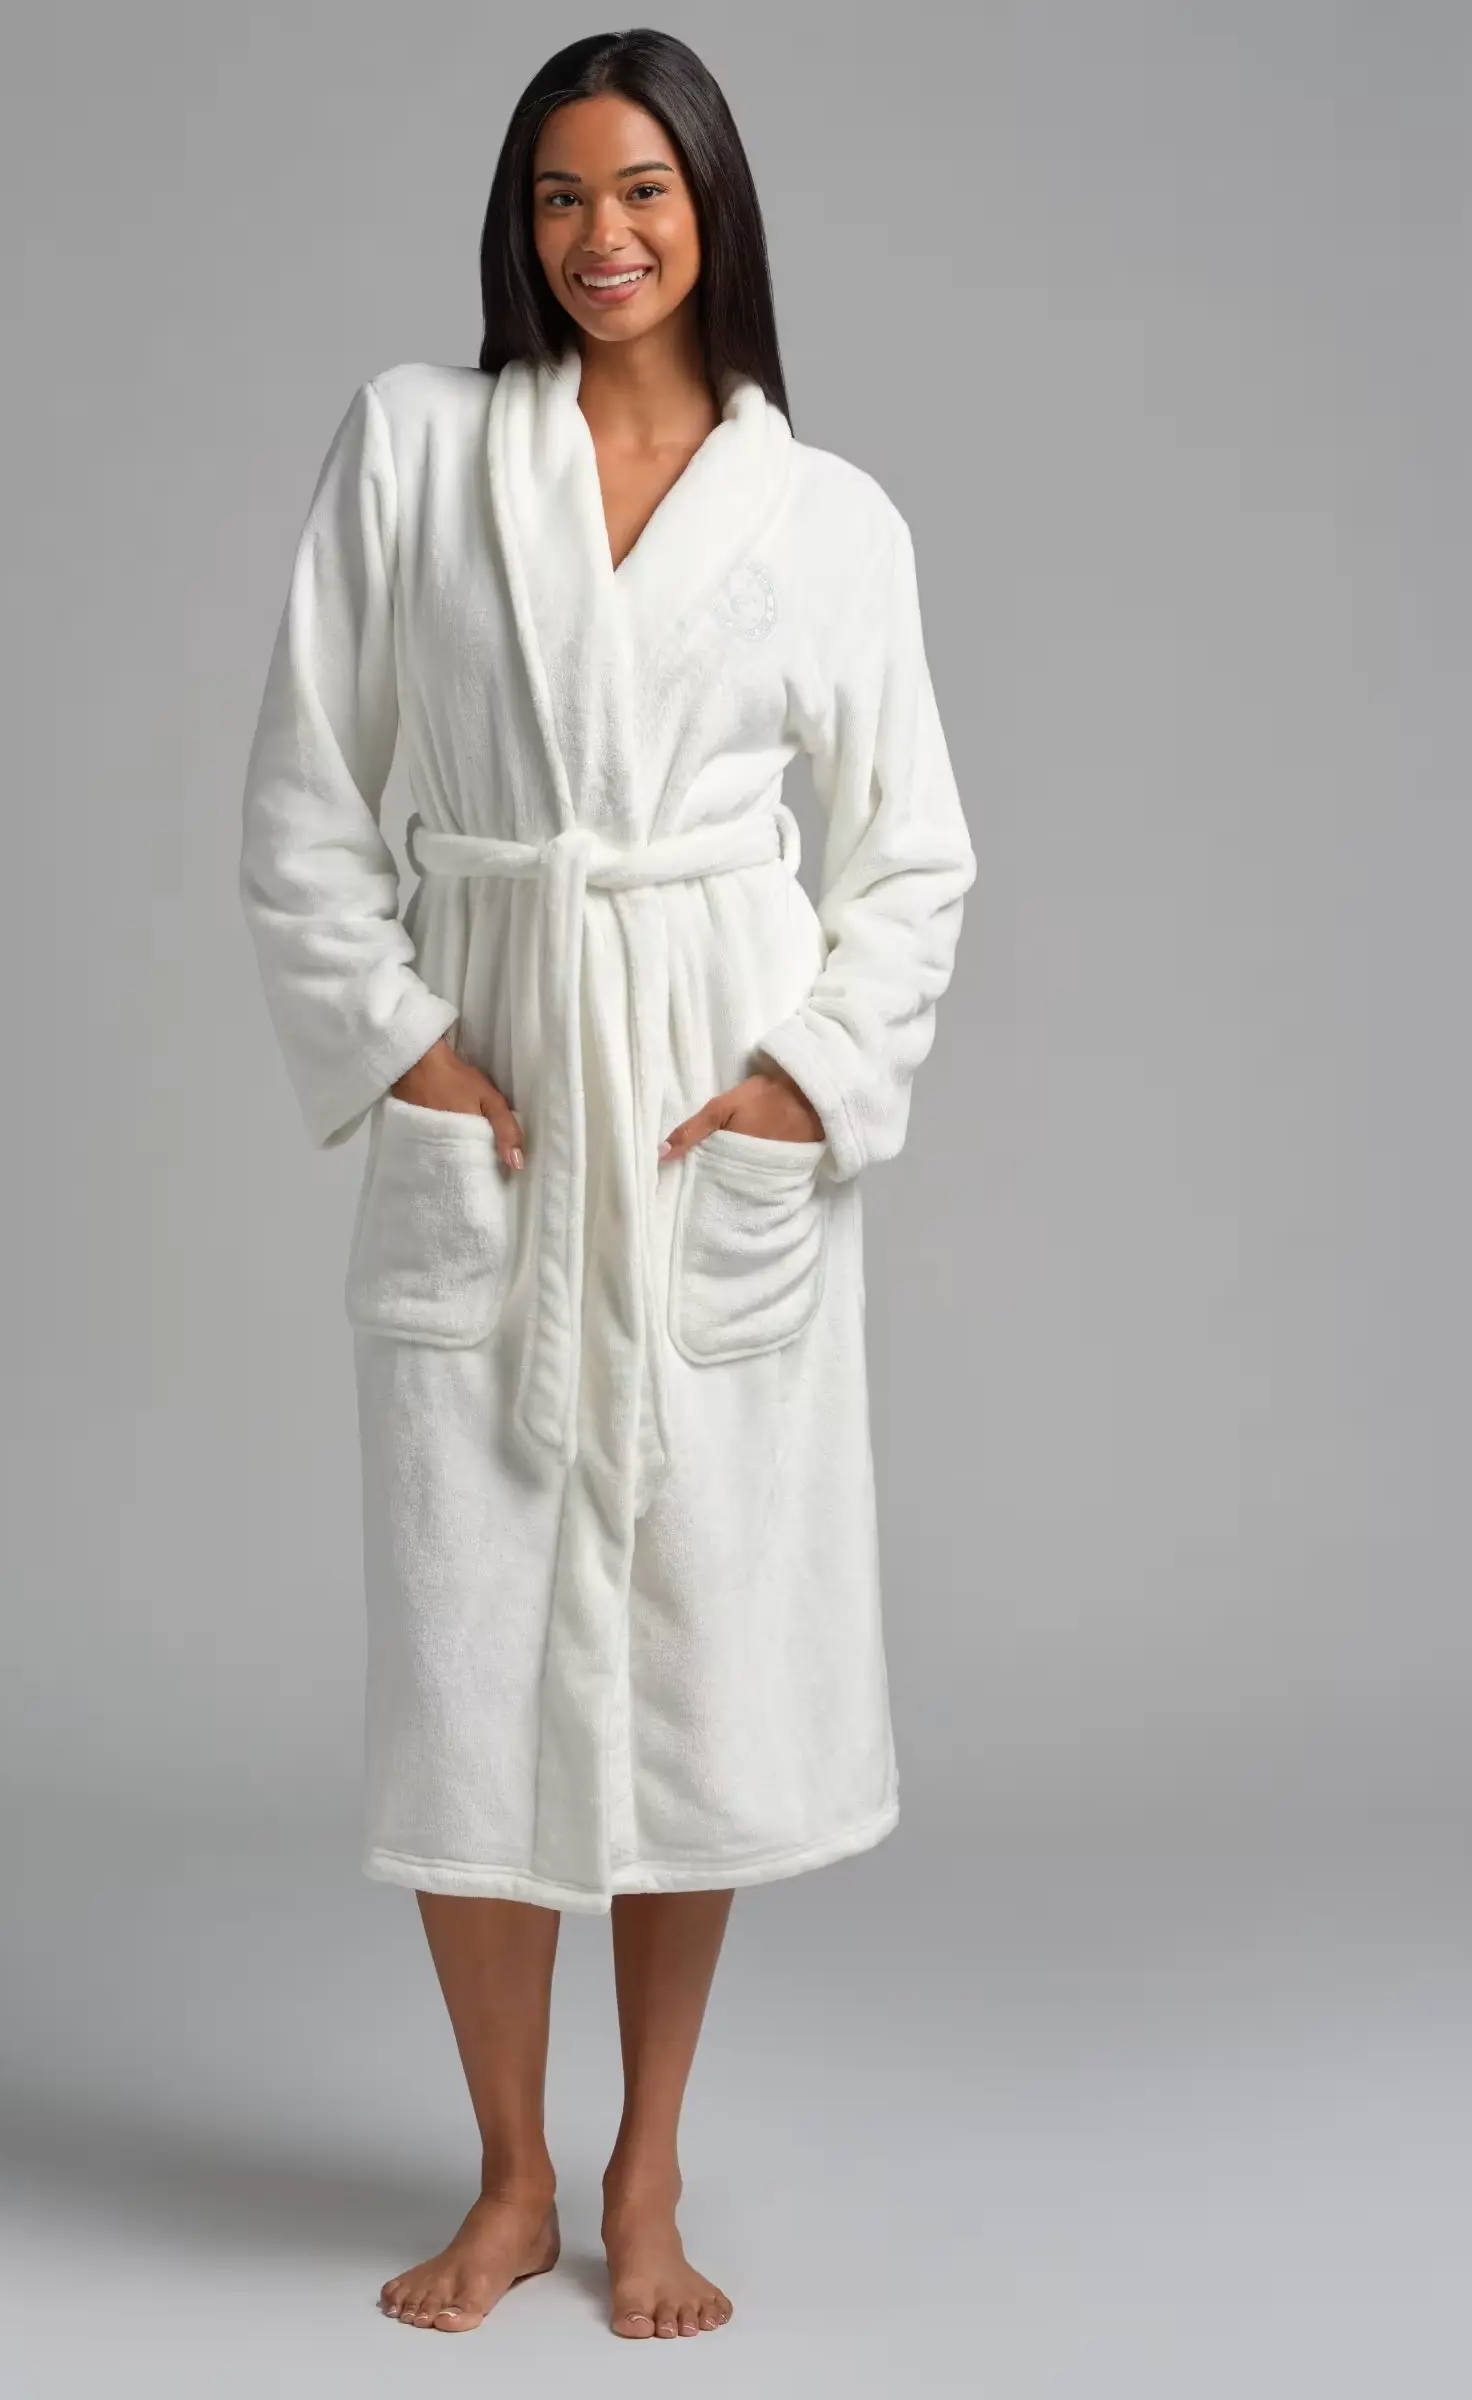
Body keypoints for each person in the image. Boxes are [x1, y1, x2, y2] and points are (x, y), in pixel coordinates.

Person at [238, 28, 977, 2341]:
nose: (602, 235)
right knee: (475, 1669)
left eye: (642, 189)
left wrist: (801, 1091)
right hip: (501, 1124)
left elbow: (912, 866)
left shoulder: (830, 521)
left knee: (695, 1673)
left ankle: (647, 2168)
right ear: (519, 222)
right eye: (560, 196)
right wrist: (413, 1053)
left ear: (712, 207)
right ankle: (507, 2175)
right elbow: (304, 803)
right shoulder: (414, 449)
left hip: (698, 1137)